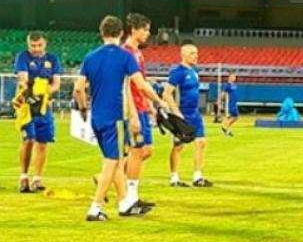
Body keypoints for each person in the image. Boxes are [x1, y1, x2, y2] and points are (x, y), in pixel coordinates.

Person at [73, 16, 166, 222]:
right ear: (122, 33)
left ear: (101, 33)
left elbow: (79, 88)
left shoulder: (90, 56)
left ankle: (125, 202)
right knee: (111, 162)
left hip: (96, 116)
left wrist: (82, 108)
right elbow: (141, 86)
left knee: (114, 162)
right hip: (116, 117)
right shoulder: (125, 57)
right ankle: (95, 208)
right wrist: (159, 101)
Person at [13, 31, 62, 193]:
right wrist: (29, 93)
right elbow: (22, 79)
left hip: (44, 107)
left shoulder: (52, 59)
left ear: (45, 44)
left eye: (39, 45)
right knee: (28, 140)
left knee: (42, 142)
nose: (36, 49)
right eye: (33, 46)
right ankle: (23, 176)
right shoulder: (23, 57)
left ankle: (37, 179)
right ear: (28, 45)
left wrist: (45, 91)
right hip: (27, 106)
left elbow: (56, 84)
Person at [122, 13, 158, 208]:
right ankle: (132, 197)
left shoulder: (137, 52)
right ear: (134, 30)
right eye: (145, 29)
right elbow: (130, 86)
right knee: (137, 151)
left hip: (142, 106)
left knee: (146, 150)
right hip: (133, 109)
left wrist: (149, 105)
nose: (148, 33)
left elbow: (142, 82)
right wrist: (158, 101)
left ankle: (108, 175)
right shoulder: (126, 53)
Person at [165, 43, 213, 187]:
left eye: (196, 53)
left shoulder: (194, 71)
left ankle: (197, 177)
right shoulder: (177, 72)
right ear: (183, 55)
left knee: (201, 142)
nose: (196, 56)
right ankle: (174, 177)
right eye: (192, 53)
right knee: (178, 145)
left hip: (195, 113)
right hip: (182, 113)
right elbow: (166, 94)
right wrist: (177, 113)